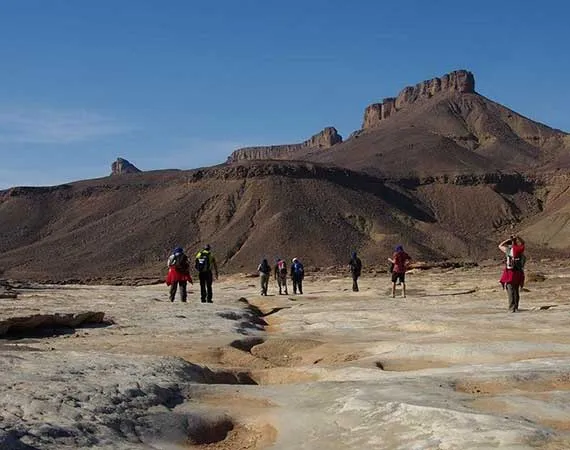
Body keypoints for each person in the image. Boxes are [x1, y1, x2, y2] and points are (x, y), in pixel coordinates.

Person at [499, 235, 526, 312]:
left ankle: (511, 308)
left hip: (510, 273)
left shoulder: (508, 250)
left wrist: (508, 239)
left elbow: (500, 245)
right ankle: (516, 307)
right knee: (516, 291)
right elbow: (523, 243)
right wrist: (518, 238)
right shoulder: (519, 250)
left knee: (510, 291)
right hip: (518, 273)